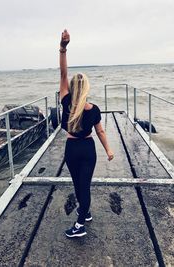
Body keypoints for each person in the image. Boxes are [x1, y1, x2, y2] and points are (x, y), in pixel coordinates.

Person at [59, 29, 114, 238]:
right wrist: (108, 149)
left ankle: (80, 224)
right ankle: (85, 212)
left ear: (72, 87)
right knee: (84, 185)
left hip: (72, 149)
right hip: (88, 149)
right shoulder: (94, 109)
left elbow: (63, 74)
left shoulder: (66, 102)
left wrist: (63, 48)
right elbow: (100, 131)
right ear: (87, 88)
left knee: (79, 185)